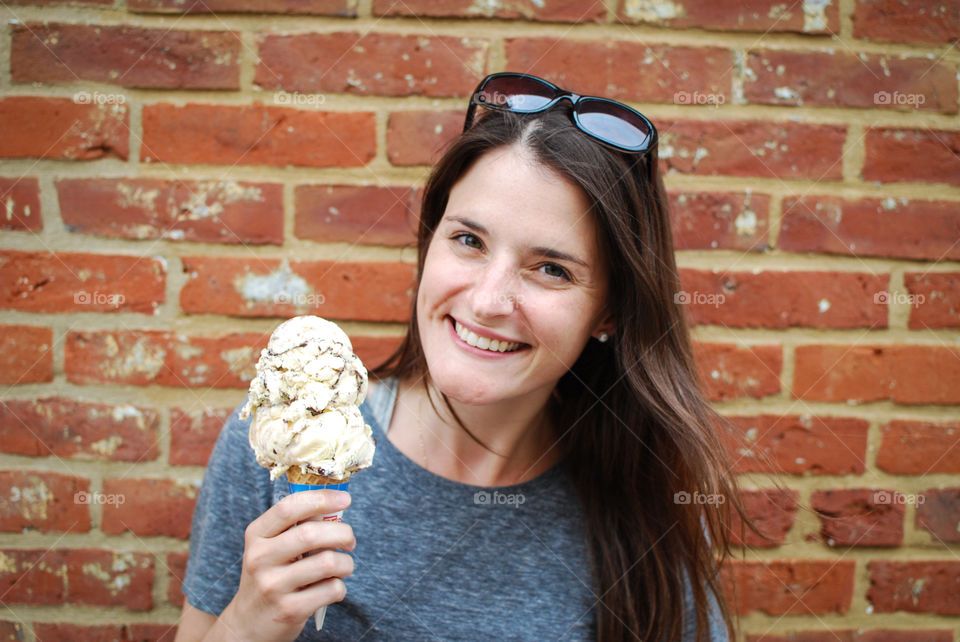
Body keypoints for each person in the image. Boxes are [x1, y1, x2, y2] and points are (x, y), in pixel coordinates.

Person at [175, 72, 743, 642]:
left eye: (551, 269)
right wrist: (249, 623)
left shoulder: (646, 507)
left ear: (609, 312)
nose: (487, 301)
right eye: (469, 241)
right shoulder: (275, 448)